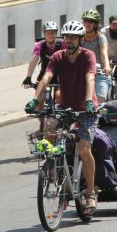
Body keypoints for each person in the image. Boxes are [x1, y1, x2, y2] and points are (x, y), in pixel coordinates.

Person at [25, 21, 98, 215]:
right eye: (66, 37)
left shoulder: (88, 56)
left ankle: (90, 193)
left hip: (86, 110)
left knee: (83, 149)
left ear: (81, 39)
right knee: (49, 126)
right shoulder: (58, 56)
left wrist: (89, 100)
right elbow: (47, 77)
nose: (69, 40)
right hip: (65, 107)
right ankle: (54, 172)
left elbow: (90, 77)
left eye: (73, 37)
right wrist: (35, 99)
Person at [23, 21, 63, 114]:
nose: (50, 35)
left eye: (53, 33)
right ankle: (41, 125)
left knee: (59, 95)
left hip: (60, 75)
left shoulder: (62, 44)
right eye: (48, 33)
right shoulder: (40, 45)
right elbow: (34, 60)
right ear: (44, 34)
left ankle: (60, 116)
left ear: (56, 33)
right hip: (44, 74)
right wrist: (28, 77)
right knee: (39, 100)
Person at [81, 9, 112, 102]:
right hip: (82, 73)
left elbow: (104, 53)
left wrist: (106, 66)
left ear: (96, 24)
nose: (87, 24)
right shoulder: (79, 37)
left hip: (99, 73)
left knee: (99, 100)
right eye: (85, 21)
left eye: (90, 21)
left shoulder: (101, 37)